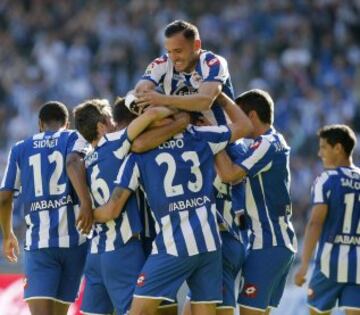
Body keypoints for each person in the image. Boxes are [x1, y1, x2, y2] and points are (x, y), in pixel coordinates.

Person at [92, 97, 251, 315]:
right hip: (209, 244)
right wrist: (219, 96)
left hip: (173, 245)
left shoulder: (137, 153)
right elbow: (245, 126)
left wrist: (87, 215)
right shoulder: (201, 136)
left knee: (136, 312)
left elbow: (113, 207)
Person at [73, 98, 189, 315]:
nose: (114, 123)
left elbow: (72, 162)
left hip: (96, 252)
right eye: (109, 119)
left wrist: (88, 210)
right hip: (122, 249)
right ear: (101, 126)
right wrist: (179, 110)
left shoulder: (86, 161)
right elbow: (151, 115)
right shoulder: (116, 142)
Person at [0, 101, 91, 315]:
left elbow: (4, 197)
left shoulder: (20, 148)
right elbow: (80, 166)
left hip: (40, 245)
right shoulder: (74, 138)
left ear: (40, 124)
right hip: (75, 242)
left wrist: (8, 234)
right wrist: (86, 204)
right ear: (66, 123)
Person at [215, 89, 297, 315]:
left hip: (267, 244)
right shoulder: (276, 140)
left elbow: (230, 175)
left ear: (251, 116)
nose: (236, 123)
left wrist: (214, 142)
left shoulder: (265, 143)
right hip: (281, 242)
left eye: (238, 116)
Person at [294, 124, 360, 315]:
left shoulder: (327, 179)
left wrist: (304, 265)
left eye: (323, 147)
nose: (319, 152)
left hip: (328, 265)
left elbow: (315, 223)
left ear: (338, 148)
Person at [131, 19, 234, 125]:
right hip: (186, 138)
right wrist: (144, 94)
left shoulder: (213, 62)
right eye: (169, 51)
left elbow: (205, 101)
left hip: (223, 136)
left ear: (196, 45)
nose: (173, 58)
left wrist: (163, 100)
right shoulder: (162, 63)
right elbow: (139, 91)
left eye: (178, 51)